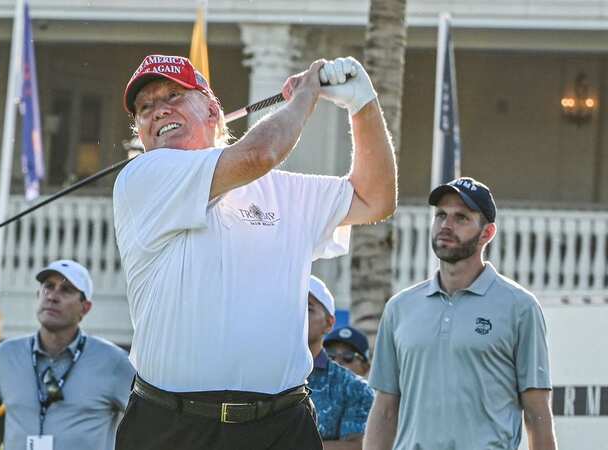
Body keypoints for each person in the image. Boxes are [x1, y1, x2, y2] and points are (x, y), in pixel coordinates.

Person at [113, 53, 396, 450]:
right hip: (172, 427)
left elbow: (376, 198)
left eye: (173, 97)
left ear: (213, 111)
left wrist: (362, 105)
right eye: (145, 108)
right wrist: (306, 97)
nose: (158, 111)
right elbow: (256, 155)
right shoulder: (144, 176)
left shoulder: (283, 190)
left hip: (280, 426)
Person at [364, 177, 557, 450]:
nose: (446, 225)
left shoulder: (520, 307)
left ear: (487, 233)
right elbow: (384, 410)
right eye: (441, 215)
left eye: (461, 218)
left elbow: (537, 414)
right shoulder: (400, 308)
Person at [0, 259, 135, 450]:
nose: (52, 296)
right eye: (48, 287)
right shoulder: (5, 356)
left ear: (85, 308)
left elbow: (146, 429)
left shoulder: (114, 362)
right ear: (38, 295)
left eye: (66, 290)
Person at [307, 275, 374, 450]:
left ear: (329, 323)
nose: (298, 314)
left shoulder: (353, 387)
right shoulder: (265, 374)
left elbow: (358, 446)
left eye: (308, 307)